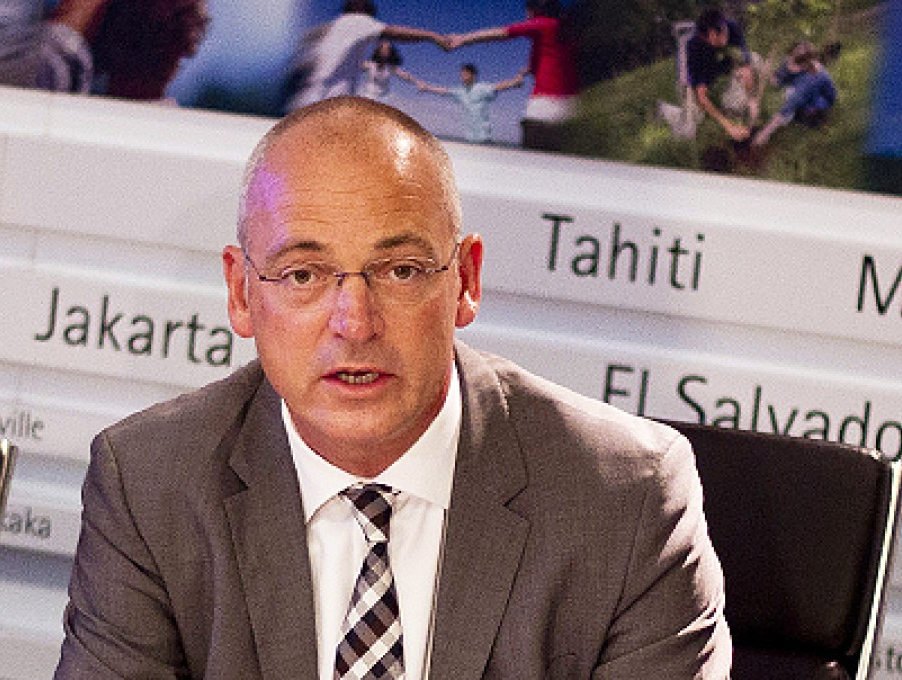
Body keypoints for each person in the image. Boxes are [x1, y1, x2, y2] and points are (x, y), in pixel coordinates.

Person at [54, 96, 732, 679]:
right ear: (240, 292)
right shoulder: (149, 483)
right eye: (303, 275)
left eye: (401, 270)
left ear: (465, 280)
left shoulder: (626, 499)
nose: (354, 324)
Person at [448, 0, 579, 150]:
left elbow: (503, 32)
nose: (527, 17)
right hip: (572, 107)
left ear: (535, 10)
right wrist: (527, 70)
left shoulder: (544, 24)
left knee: (534, 157)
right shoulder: (565, 33)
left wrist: (463, 39)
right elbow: (556, 61)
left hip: (545, 104)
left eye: (528, 12)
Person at [286, 0, 449, 112]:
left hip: (311, 99)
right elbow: (395, 32)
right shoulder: (358, 20)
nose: (385, 50)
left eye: (387, 48)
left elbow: (404, 75)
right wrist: (433, 36)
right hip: (327, 102)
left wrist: (419, 83)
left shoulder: (334, 27)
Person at [401, 63, 527, 143]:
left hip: (484, 137)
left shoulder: (481, 88)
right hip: (469, 137)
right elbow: (444, 91)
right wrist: (427, 88)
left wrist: (514, 82)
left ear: (473, 75)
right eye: (462, 74)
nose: (463, 76)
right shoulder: (459, 91)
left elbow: (498, 86)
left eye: (466, 73)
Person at [685, 8, 759, 142]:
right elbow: (701, 96)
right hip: (705, 71)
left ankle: (736, 111)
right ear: (711, 35)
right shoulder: (693, 47)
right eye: (721, 35)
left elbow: (745, 67)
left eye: (725, 31)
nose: (726, 37)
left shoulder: (732, 28)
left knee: (754, 58)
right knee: (694, 115)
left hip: (725, 66)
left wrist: (751, 100)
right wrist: (729, 126)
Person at [752, 40, 837, 147]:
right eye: (790, 60)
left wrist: (765, 133)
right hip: (801, 83)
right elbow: (776, 80)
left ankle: (812, 116)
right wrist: (768, 73)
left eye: (794, 64)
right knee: (787, 87)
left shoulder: (810, 81)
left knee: (795, 106)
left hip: (820, 100)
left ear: (805, 65)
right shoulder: (793, 59)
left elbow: (788, 107)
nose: (789, 64)